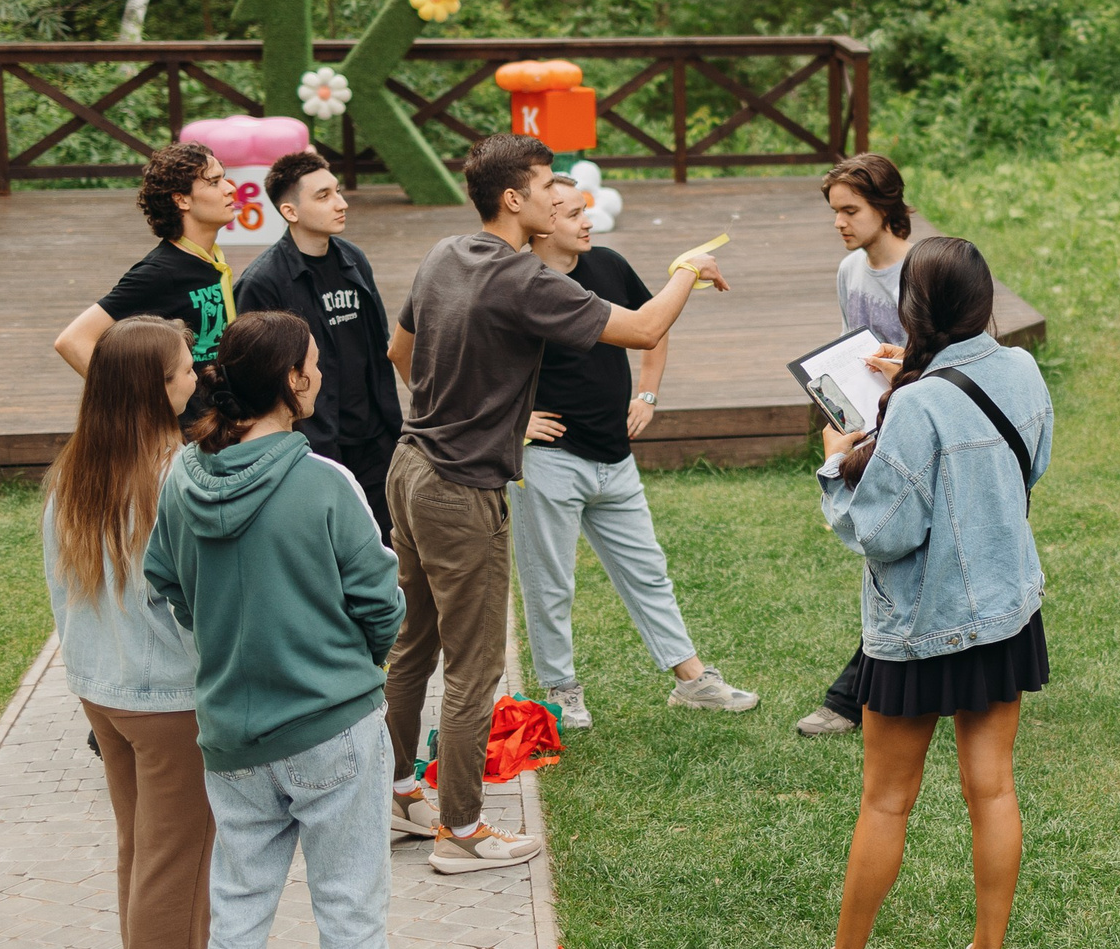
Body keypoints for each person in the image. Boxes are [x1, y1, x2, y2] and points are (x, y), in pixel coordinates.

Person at [383, 133, 730, 875]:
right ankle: (463, 832)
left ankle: (399, 787)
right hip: (458, 490)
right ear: (515, 200)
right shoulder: (522, 278)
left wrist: (465, 410)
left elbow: (400, 356)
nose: (561, 197)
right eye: (547, 186)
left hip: (408, 467)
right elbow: (639, 327)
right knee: (474, 668)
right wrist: (687, 271)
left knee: (413, 643)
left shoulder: (446, 253)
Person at [143, 311, 406, 949]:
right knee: (349, 902)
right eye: (314, 365)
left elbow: (165, 583)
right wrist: (345, 664)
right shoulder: (326, 482)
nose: (321, 374)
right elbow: (382, 604)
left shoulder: (182, 479)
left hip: (230, 737)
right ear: (291, 383)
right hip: (334, 727)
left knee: (240, 907)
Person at [802, 237, 1052, 949]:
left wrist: (836, 459)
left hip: (917, 628)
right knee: (994, 790)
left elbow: (884, 529)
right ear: (982, 303)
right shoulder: (1022, 370)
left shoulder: (914, 403)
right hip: (1005, 614)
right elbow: (1027, 465)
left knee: (886, 801)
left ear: (914, 307)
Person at [512, 183, 759, 728]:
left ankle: (692, 680)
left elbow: (653, 322)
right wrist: (511, 420)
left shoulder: (607, 264)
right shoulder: (522, 283)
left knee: (648, 570)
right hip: (548, 459)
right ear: (543, 220)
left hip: (613, 454)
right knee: (550, 583)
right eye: (575, 214)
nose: (588, 221)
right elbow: (474, 358)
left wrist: (646, 392)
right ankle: (559, 691)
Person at [42, 315, 212, 949]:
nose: (196, 376)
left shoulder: (75, 470)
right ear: (154, 387)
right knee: (174, 859)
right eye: (183, 369)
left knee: (141, 849)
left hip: (102, 689)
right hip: (169, 701)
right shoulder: (179, 479)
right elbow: (195, 607)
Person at [795, 153, 915, 738]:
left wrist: (905, 374)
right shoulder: (849, 271)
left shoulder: (926, 270)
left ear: (885, 206)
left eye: (851, 210)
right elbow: (850, 350)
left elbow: (954, 357)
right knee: (892, 559)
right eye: (834, 212)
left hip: (922, 428)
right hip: (871, 432)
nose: (840, 222)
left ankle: (849, 697)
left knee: (895, 562)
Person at [236, 151, 403, 542]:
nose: (341, 203)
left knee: (386, 551)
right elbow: (254, 379)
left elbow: (379, 347)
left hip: (376, 440)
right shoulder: (262, 282)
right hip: (314, 446)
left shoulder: (353, 260)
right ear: (290, 211)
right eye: (324, 195)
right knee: (329, 553)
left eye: (338, 192)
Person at [55, 142, 241, 394]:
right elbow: (73, 341)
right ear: (181, 200)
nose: (230, 189)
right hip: (179, 430)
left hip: (214, 424)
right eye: (214, 182)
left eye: (225, 179)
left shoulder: (210, 259)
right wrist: (136, 407)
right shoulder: (159, 273)